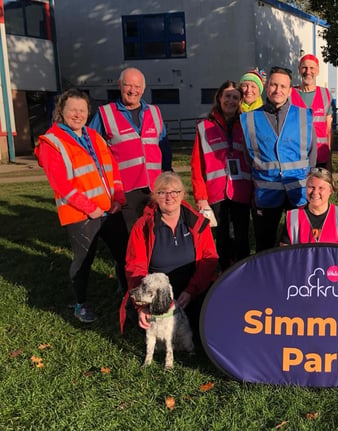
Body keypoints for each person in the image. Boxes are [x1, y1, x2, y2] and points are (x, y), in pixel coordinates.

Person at [35, 89, 128, 323]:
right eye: (72, 110)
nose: (78, 115)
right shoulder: (51, 142)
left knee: (125, 253)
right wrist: (89, 208)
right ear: (61, 112)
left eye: (82, 110)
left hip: (110, 209)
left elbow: (113, 169)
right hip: (80, 214)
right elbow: (62, 185)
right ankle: (81, 303)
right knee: (83, 260)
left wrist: (119, 198)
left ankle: (129, 294)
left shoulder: (94, 136)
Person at [121, 172, 218, 336]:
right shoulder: (142, 227)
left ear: (182, 195)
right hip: (157, 293)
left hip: (192, 287)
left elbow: (209, 260)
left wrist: (190, 291)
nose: (169, 197)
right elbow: (135, 267)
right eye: (162, 192)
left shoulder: (198, 223)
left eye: (175, 192)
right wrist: (142, 305)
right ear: (155, 196)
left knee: (206, 327)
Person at [240, 66, 317, 252]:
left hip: (298, 191)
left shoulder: (303, 115)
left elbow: (312, 153)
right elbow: (247, 155)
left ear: (290, 90)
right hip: (266, 193)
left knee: (300, 243)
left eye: (283, 86)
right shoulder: (249, 119)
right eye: (274, 85)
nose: (278, 90)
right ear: (267, 87)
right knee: (264, 244)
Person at [89, 67, 172, 232]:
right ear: (119, 85)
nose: (133, 90)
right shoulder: (105, 114)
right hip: (124, 188)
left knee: (156, 229)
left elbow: (164, 147)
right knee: (131, 232)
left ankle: (152, 257)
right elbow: (91, 147)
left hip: (154, 186)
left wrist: (168, 175)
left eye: (137, 86)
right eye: (128, 85)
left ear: (143, 88)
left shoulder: (155, 112)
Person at [191, 80, 252, 271]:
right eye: (227, 96)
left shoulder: (246, 125)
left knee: (242, 236)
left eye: (235, 97)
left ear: (240, 101)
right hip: (216, 193)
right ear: (219, 97)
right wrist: (201, 198)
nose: (231, 101)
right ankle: (224, 273)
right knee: (223, 236)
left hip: (242, 191)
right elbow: (196, 166)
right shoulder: (204, 127)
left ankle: (244, 272)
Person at [280, 168, 338, 245]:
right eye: (311, 187)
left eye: (321, 188)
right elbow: (285, 254)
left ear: (331, 190)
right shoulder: (293, 217)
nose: (315, 192)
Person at [290, 54, 333, 169]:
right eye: (304, 67)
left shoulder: (326, 94)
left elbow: (328, 130)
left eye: (312, 68)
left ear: (317, 70)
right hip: (296, 156)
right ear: (299, 70)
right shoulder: (289, 94)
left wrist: (329, 159)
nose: (308, 71)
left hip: (320, 156)